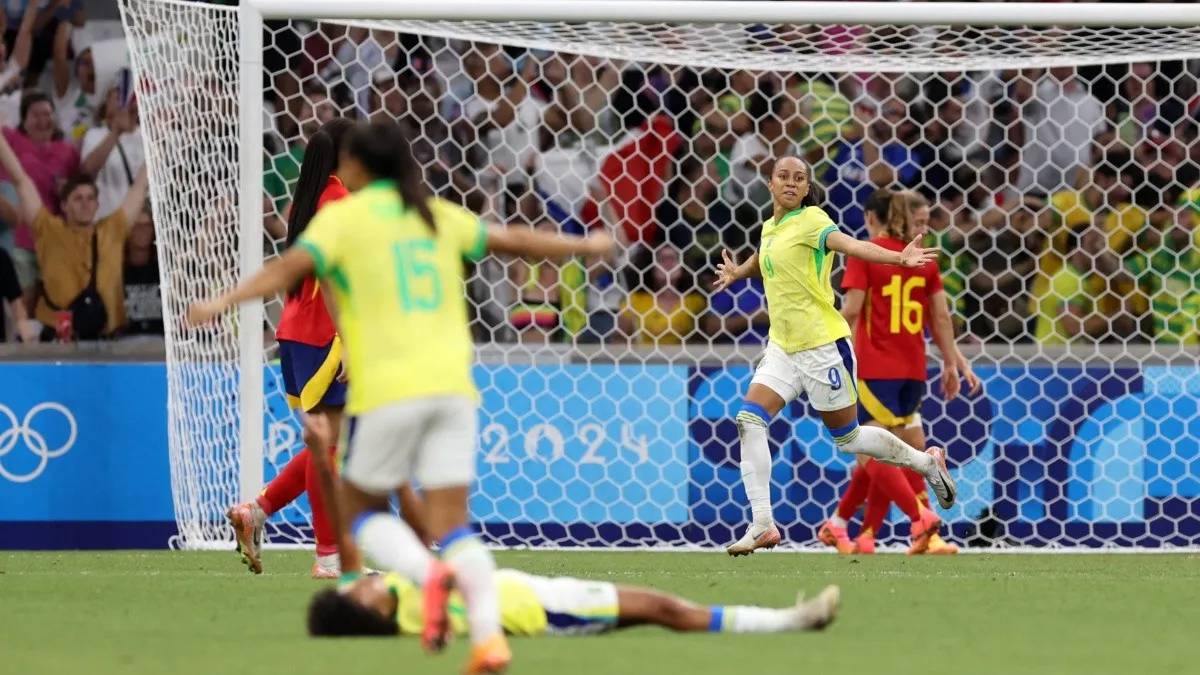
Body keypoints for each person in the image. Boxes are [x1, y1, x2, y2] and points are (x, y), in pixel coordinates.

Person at [186, 120, 615, 675]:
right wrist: (587, 244)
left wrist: (221, 303)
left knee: (348, 479)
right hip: (450, 384)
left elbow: (289, 268)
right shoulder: (432, 213)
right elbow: (514, 239)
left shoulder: (348, 213)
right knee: (440, 520)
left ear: (360, 164)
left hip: (379, 375)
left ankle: (357, 559)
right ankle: (480, 632)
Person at [710, 156, 956, 557]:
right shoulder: (771, 228)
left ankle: (926, 464)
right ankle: (762, 524)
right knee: (749, 420)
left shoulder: (813, 221)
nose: (790, 183)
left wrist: (896, 258)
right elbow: (766, 255)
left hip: (822, 346)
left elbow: (850, 244)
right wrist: (740, 272)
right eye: (783, 177)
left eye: (798, 178)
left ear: (807, 188)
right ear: (770, 184)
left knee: (849, 439)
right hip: (782, 348)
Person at [225, 117, 356, 580]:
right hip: (326, 336)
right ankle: (328, 556)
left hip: (294, 334)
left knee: (326, 443)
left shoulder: (308, 200)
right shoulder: (339, 200)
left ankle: (256, 512)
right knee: (329, 448)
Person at [819, 190, 981, 556]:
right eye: (920, 221)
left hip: (875, 368)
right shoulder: (925, 261)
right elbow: (940, 318)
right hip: (913, 368)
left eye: (925, 222)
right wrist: (952, 360)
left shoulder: (869, 253)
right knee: (907, 454)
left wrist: (820, 344)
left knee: (876, 455)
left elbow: (853, 310)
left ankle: (917, 519)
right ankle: (864, 531)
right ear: (905, 219)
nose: (923, 228)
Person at [0, 127, 147, 340]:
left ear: (98, 205)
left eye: (90, 198)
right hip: (60, 340)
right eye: (78, 198)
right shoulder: (47, 229)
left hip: (109, 342)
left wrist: (161, 136)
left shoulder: (113, 228)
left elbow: (140, 187)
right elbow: (20, 179)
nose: (85, 204)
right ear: (64, 205)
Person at [80, 87, 143, 220]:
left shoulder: (148, 136)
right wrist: (116, 132)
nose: (126, 101)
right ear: (107, 103)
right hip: (109, 221)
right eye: (118, 97)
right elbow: (87, 171)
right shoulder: (95, 135)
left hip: (142, 223)